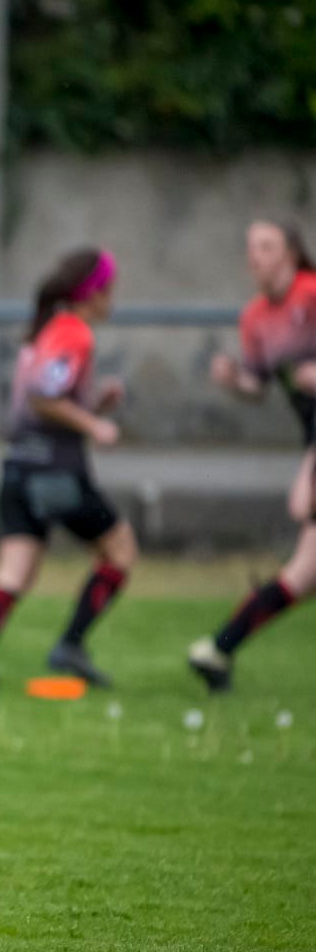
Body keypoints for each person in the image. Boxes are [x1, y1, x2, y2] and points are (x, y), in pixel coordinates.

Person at [0, 247, 135, 690]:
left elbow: (41, 400)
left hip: (18, 468)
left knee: (14, 571)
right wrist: (95, 424)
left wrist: (93, 403)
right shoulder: (74, 333)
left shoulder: (47, 330)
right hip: (56, 472)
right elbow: (41, 397)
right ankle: (70, 644)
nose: (112, 297)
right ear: (94, 293)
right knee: (121, 550)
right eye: (109, 288)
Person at [188, 219, 316, 691]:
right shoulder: (256, 318)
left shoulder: (312, 292)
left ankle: (220, 647)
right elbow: (258, 385)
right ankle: (219, 650)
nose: (255, 256)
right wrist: (233, 381)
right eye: (250, 247)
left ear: (291, 252)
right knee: (304, 573)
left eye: (267, 246)